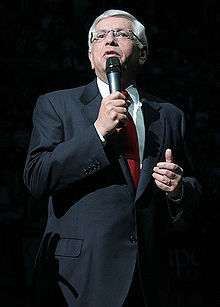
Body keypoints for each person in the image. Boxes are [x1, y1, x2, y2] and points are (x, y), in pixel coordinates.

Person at [23, 9, 201, 307]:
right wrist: (97, 132)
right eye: (101, 36)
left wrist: (179, 189)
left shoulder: (169, 114)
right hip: (81, 277)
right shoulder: (56, 104)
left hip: (149, 277)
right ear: (91, 56)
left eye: (121, 34)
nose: (110, 40)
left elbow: (195, 185)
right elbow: (37, 178)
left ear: (142, 54)